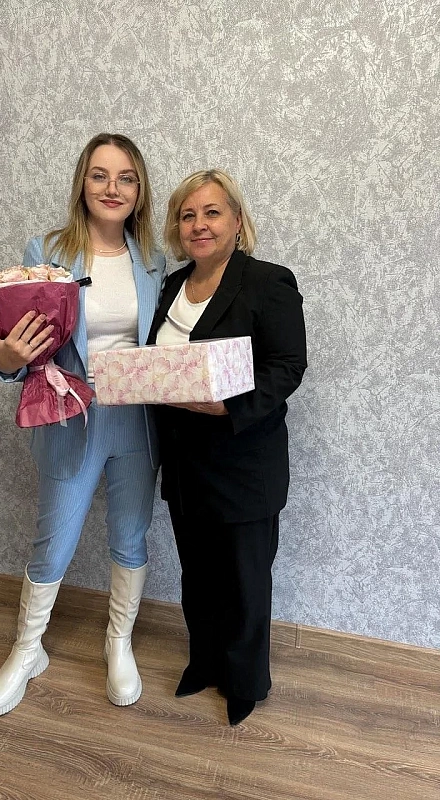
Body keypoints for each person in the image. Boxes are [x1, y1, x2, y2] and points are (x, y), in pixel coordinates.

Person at [0, 133, 165, 717]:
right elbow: (21, 346)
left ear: (139, 190)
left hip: (137, 421)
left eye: (126, 177)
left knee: (130, 535)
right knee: (53, 541)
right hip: (71, 419)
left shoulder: (155, 259)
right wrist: (5, 361)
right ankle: (27, 650)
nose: (112, 188)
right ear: (82, 183)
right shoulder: (47, 250)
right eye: (100, 175)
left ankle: (118, 642)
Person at [147, 169, 307, 726]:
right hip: (184, 464)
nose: (199, 224)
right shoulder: (171, 287)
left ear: (237, 221)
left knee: (244, 580)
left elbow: (287, 366)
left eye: (212, 212)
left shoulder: (267, 281)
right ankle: (205, 663)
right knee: (198, 576)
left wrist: (228, 407)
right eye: (187, 215)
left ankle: (245, 682)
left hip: (244, 464)